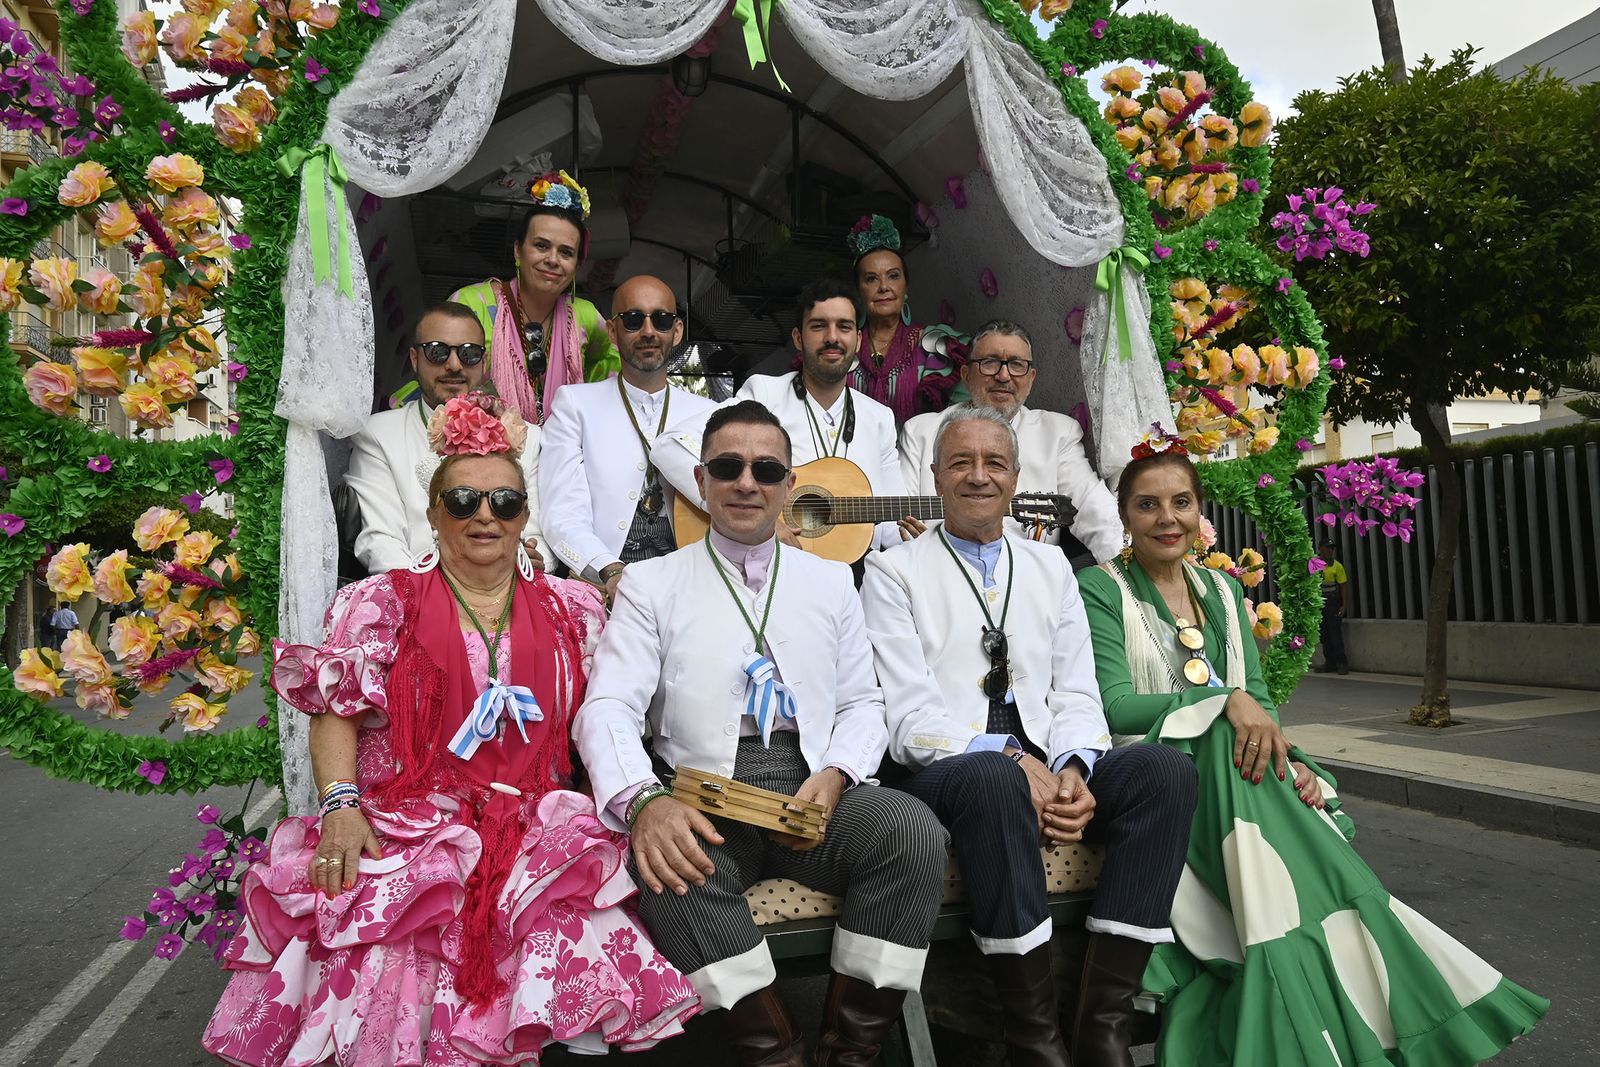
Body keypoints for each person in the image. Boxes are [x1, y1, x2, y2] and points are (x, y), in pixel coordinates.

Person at [203, 393, 699, 1065]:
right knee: (390, 974)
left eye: (504, 502)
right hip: (410, 820)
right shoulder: (377, 603)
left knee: (570, 956)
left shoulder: (577, 609)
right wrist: (340, 808)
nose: (484, 516)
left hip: (539, 822)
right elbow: (333, 714)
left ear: (527, 515)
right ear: (435, 514)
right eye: (463, 501)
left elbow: (606, 716)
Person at [1075, 430, 1548, 1067]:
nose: (1168, 519)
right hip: (1155, 773)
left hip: (1235, 780)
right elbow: (1114, 705)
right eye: (1148, 505)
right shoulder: (1100, 588)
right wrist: (1222, 701)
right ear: (1124, 514)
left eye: (1182, 503)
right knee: (1226, 739)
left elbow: (1261, 701)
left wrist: (1288, 755)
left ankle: (1289, 964)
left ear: (1200, 511)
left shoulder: (1222, 593)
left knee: (1258, 756)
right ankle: (1351, 956)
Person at [575, 401, 949, 1066]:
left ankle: (853, 1051)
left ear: (789, 483)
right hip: (704, 794)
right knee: (666, 867)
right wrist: (645, 802)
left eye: (766, 467)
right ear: (701, 477)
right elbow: (606, 707)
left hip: (812, 786)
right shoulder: (650, 584)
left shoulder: (832, 581)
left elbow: (864, 703)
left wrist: (836, 774)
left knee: (911, 830)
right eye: (728, 466)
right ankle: (776, 1052)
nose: (747, 481)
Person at [862, 405, 1197, 1067]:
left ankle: (1102, 1025)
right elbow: (907, 718)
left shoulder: (1050, 569)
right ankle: (1034, 1037)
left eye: (994, 463)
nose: (979, 476)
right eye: (961, 462)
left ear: (1016, 477)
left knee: (1164, 773)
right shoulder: (894, 571)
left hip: (1047, 760)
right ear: (935, 476)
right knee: (992, 779)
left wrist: (1073, 766)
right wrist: (1010, 757)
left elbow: (1076, 691)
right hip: (950, 771)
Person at [652, 277, 910, 556]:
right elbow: (668, 447)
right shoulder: (765, 393)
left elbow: (890, 525)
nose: (832, 337)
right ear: (798, 338)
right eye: (819, 326)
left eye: (844, 327)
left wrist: (918, 534)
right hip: (770, 565)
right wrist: (757, 519)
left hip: (855, 574)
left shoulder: (879, 418)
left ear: (858, 340)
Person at [539, 274, 715, 603]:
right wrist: (610, 570)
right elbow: (561, 512)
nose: (648, 331)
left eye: (661, 320)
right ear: (612, 331)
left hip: (694, 585)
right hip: (601, 587)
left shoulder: (709, 413)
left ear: (676, 332)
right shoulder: (575, 405)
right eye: (633, 320)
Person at [899, 320, 1122, 563]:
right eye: (990, 363)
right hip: (937, 569)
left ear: (1031, 378)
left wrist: (1130, 574)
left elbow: (1098, 513)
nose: (1003, 376)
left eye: (1017, 365)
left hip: (1030, 580)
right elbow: (898, 523)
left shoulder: (1057, 434)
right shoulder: (921, 432)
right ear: (966, 374)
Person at [346, 302, 543, 575]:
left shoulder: (527, 436)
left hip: (510, 596)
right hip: (419, 596)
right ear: (415, 359)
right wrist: (435, 600)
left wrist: (533, 559)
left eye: (469, 354)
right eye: (437, 352)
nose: (454, 365)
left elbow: (538, 537)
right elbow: (380, 542)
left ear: (484, 363)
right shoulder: (379, 434)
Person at [448, 170, 619, 424]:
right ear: (518, 251)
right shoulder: (471, 304)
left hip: (561, 453)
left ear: (577, 265)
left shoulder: (584, 314)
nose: (552, 260)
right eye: (541, 246)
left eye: (566, 252)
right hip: (482, 453)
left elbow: (616, 358)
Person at [844, 214, 965, 425]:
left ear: (905, 287)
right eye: (871, 279)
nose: (884, 287)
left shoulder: (934, 345)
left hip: (920, 456)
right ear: (858, 291)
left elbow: (965, 416)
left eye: (893, 276)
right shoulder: (841, 346)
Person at [1315, 538, 1350, 674]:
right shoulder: (1315, 564)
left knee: (1335, 634)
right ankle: (1329, 663)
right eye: (1327, 548)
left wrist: (1344, 605)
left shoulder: (1337, 566)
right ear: (1320, 549)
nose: (1330, 551)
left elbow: (1343, 586)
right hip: (1319, 603)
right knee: (1324, 635)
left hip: (1332, 603)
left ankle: (1341, 663)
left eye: (1332, 548)